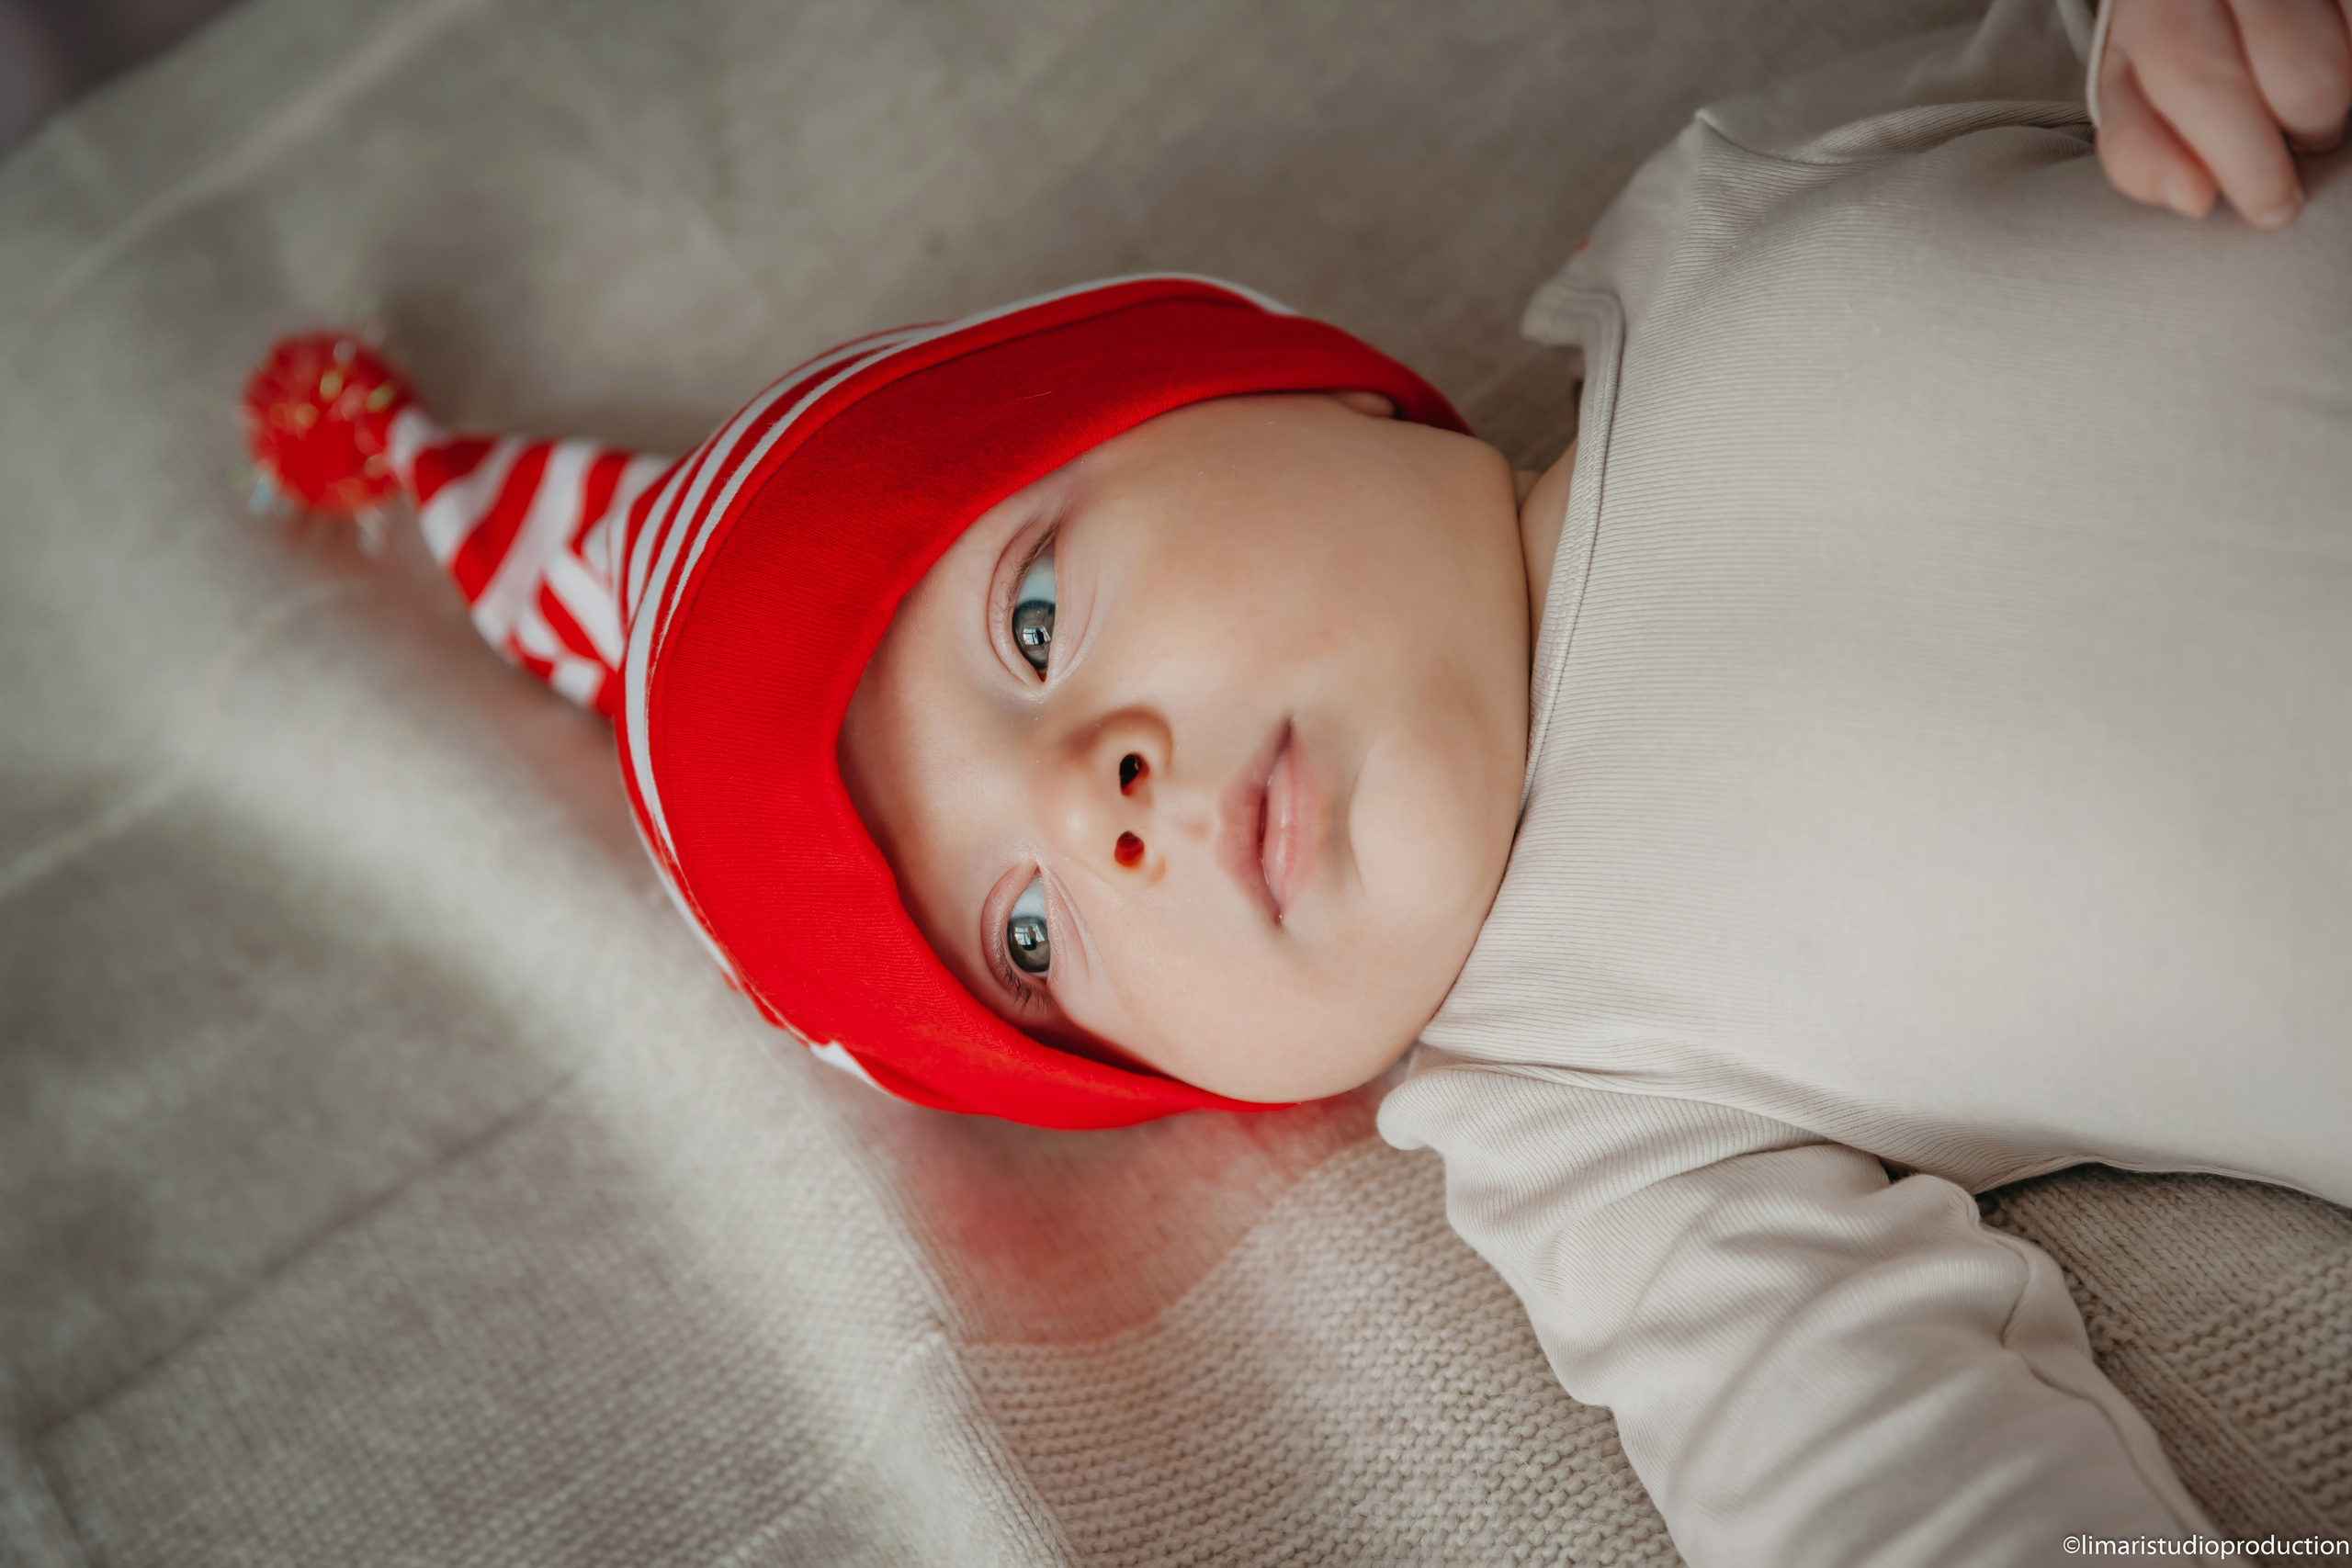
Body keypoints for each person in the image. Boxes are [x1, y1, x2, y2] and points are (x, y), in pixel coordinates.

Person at [238, 0, 2351, 1557]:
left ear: (1275, 383)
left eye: (1032, 625)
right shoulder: (1578, 1103)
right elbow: (1876, 1485)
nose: (1096, 802)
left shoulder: (1718, 214)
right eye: (1030, 934)